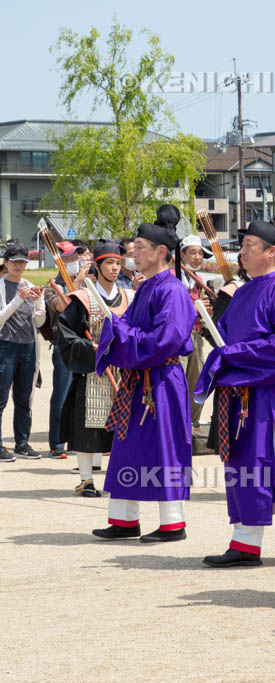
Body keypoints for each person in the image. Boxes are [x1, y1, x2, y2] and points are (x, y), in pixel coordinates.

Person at [196, 209, 275, 567]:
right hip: (239, 394)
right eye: (242, 245)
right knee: (243, 468)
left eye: (250, 245)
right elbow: (226, 336)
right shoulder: (242, 291)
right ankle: (245, 542)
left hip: (270, 396)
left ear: (271, 251)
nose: (243, 251)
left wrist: (234, 353)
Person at [91, 204, 195, 542]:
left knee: (164, 448)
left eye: (140, 246)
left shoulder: (172, 289)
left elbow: (167, 340)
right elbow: (133, 327)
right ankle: (124, 520)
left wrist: (122, 333)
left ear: (160, 252)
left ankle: (172, 523)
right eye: (133, 246)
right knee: (127, 446)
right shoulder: (149, 286)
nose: (132, 252)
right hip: (141, 380)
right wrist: (115, 326)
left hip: (162, 380)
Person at [56, 239, 134, 497]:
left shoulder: (128, 297)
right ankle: (86, 480)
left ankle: (119, 477)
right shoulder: (82, 298)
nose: (114, 268)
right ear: (97, 266)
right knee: (88, 426)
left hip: (122, 373)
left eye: (118, 263)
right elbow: (66, 335)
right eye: (109, 263)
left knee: (123, 428)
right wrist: (90, 347)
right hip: (92, 372)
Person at [0, 244, 45, 462]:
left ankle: (22, 443)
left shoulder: (30, 285)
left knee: (24, 398)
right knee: (0, 398)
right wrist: (18, 299)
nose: (18, 266)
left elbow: (38, 321)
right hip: (5, 345)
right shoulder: (1, 286)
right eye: (14, 261)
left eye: (22, 262)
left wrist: (38, 303)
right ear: (5, 263)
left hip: (28, 346)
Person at [42, 240, 86, 460]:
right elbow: (62, 305)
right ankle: (57, 443)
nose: (73, 261)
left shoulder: (87, 283)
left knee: (82, 394)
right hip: (63, 346)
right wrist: (75, 283)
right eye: (68, 258)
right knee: (61, 393)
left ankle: (76, 440)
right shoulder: (52, 286)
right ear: (59, 262)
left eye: (75, 257)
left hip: (84, 344)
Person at [180, 234, 215, 428]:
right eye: (193, 252)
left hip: (197, 335)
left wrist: (205, 311)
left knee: (197, 382)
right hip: (180, 337)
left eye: (201, 253)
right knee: (179, 381)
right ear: (182, 255)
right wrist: (193, 309)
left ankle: (191, 424)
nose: (198, 257)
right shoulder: (173, 277)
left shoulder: (198, 280)